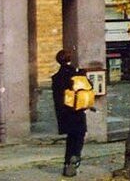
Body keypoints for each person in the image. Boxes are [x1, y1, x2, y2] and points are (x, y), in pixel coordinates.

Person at [50, 49, 88, 177]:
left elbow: (56, 97)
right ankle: (75, 157)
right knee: (79, 136)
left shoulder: (56, 78)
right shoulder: (76, 74)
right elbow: (88, 87)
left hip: (64, 113)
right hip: (77, 110)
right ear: (69, 60)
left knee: (70, 138)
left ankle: (67, 163)